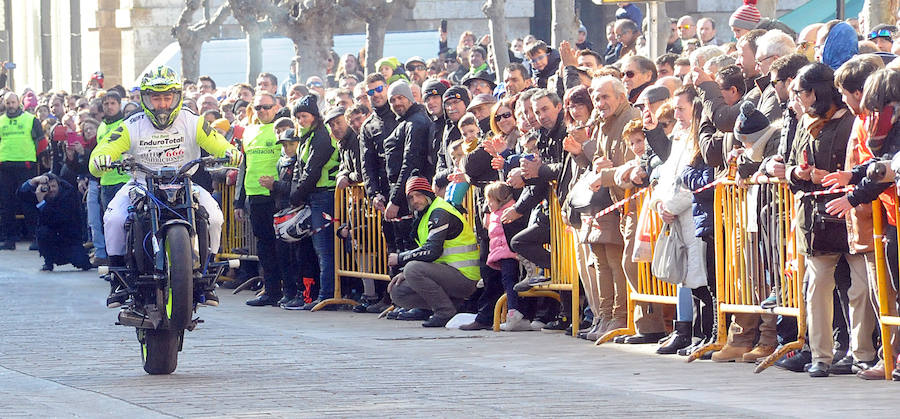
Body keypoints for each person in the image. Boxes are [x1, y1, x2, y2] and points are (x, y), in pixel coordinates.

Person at [90, 65, 241, 308]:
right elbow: (105, 148)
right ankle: (117, 279)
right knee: (114, 219)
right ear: (146, 99)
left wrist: (230, 152)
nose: (162, 104)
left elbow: (218, 142)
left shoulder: (193, 121)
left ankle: (208, 276)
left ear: (177, 97)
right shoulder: (131, 124)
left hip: (184, 182)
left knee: (214, 216)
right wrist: (101, 158)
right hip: (141, 184)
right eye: (156, 98)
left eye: (167, 97)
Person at [387, 174, 480, 327]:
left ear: (428, 194)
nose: (415, 200)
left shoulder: (440, 211)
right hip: (446, 272)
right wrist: (404, 273)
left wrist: (400, 258)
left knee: (412, 269)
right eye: (411, 198)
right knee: (398, 291)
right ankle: (453, 306)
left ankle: (444, 312)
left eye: (418, 195)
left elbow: (432, 251)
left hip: (465, 277)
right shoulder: (426, 214)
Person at [237, 92, 288, 308]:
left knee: (282, 245)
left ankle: (289, 290)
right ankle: (271, 290)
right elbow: (243, 166)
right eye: (258, 108)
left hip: (276, 195)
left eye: (267, 107)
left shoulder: (283, 128)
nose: (263, 111)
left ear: (276, 107)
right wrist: (238, 202)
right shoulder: (248, 131)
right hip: (254, 195)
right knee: (264, 246)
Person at [290, 94, 340, 310]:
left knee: (324, 248)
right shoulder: (308, 137)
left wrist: (296, 195)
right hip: (314, 195)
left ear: (315, 116)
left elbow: (312, 170)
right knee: (316, 248)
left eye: (305, 116)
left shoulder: (321, 136)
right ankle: (321, 292)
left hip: (324, 194)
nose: (301, 121)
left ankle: (326, 294)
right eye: (298, 117)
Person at [16, 173, 92, 271]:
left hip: (69, 239)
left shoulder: (68, 194)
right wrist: (34, 181)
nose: (51, 190)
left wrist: (42, 203)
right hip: (51, 239)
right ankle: (48, 261)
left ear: (59, 185)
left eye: (53, 186)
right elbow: (20, 194)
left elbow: (57, 219)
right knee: (43, 232)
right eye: (48, 187)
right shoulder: (41, 193)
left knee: (82, 262)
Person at [0, 92, 43, 250]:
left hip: (25, 166)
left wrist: (38, 158)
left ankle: (36, 237)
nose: (10, 105)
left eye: (13, 102)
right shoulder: (1, 121)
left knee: (29, 202)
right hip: (5, 167)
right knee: (6, 204)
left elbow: (41, 141)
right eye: (8, 103)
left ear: (18, 102)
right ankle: (9, 239)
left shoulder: (30, 119)